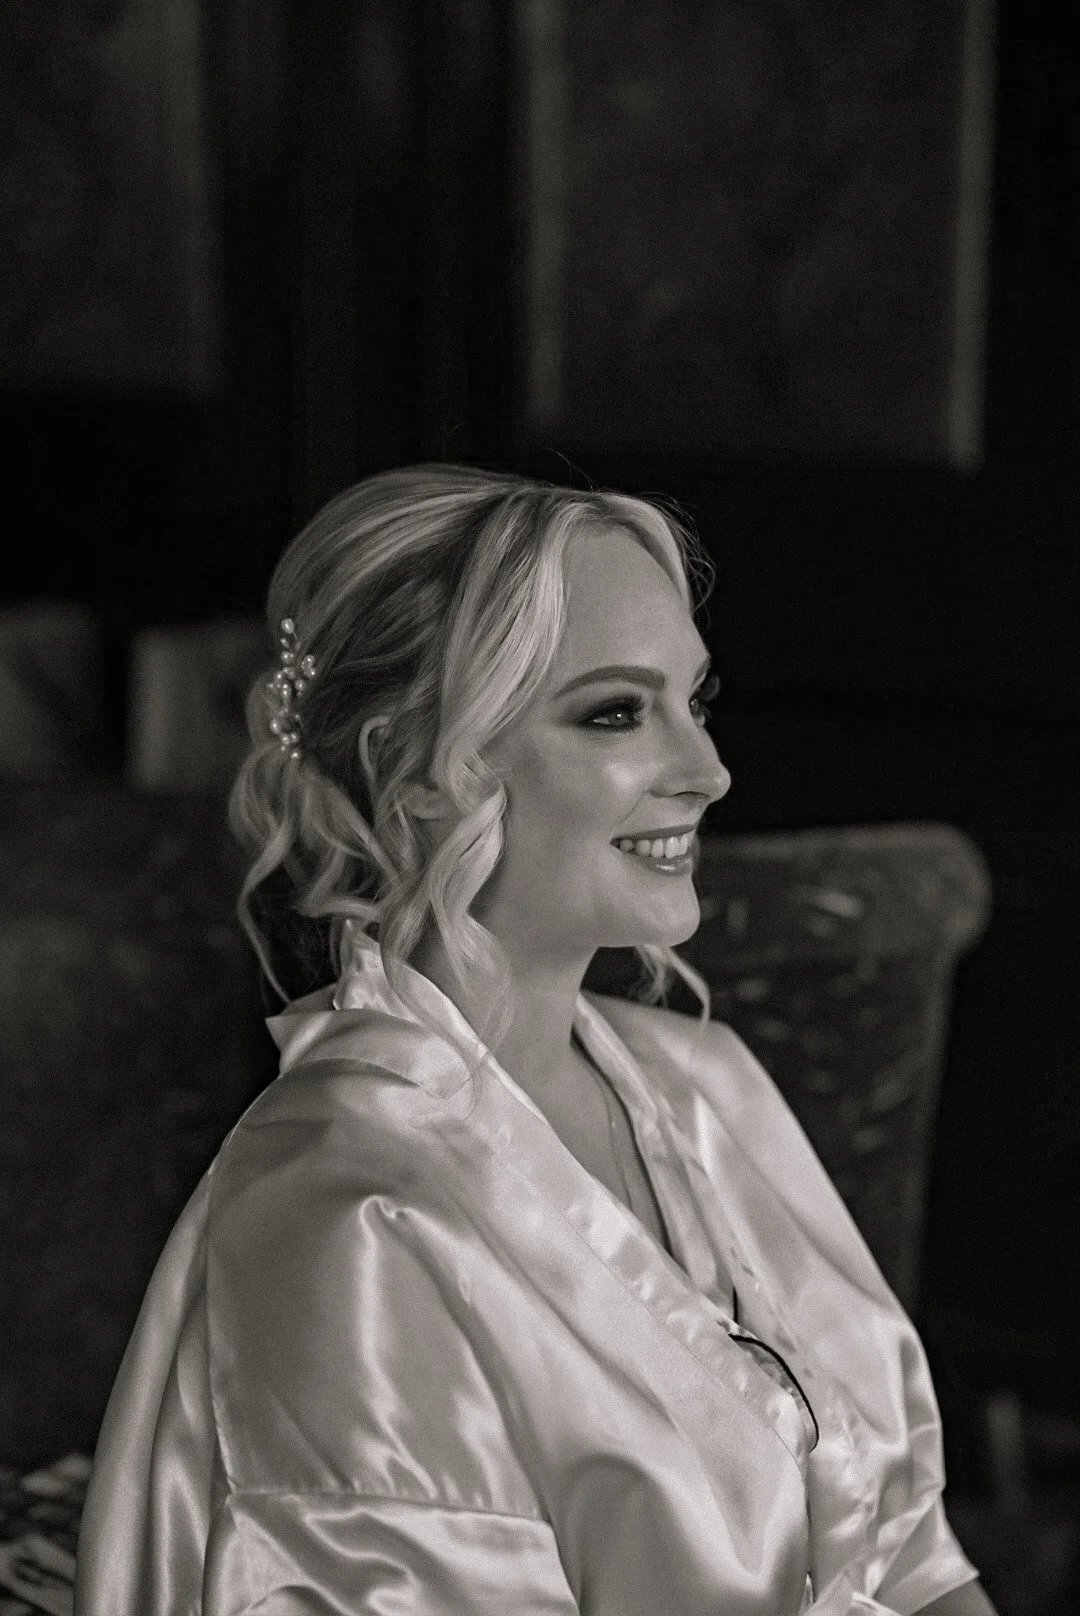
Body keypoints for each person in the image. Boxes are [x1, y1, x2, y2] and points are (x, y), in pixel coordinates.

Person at [74, 465, 995, 1615]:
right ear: (415, 776)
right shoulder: (348, 1216)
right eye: (615, 711)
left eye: (694, 700)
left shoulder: (708, 1086)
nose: (706, 771)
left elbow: (916, 1559)